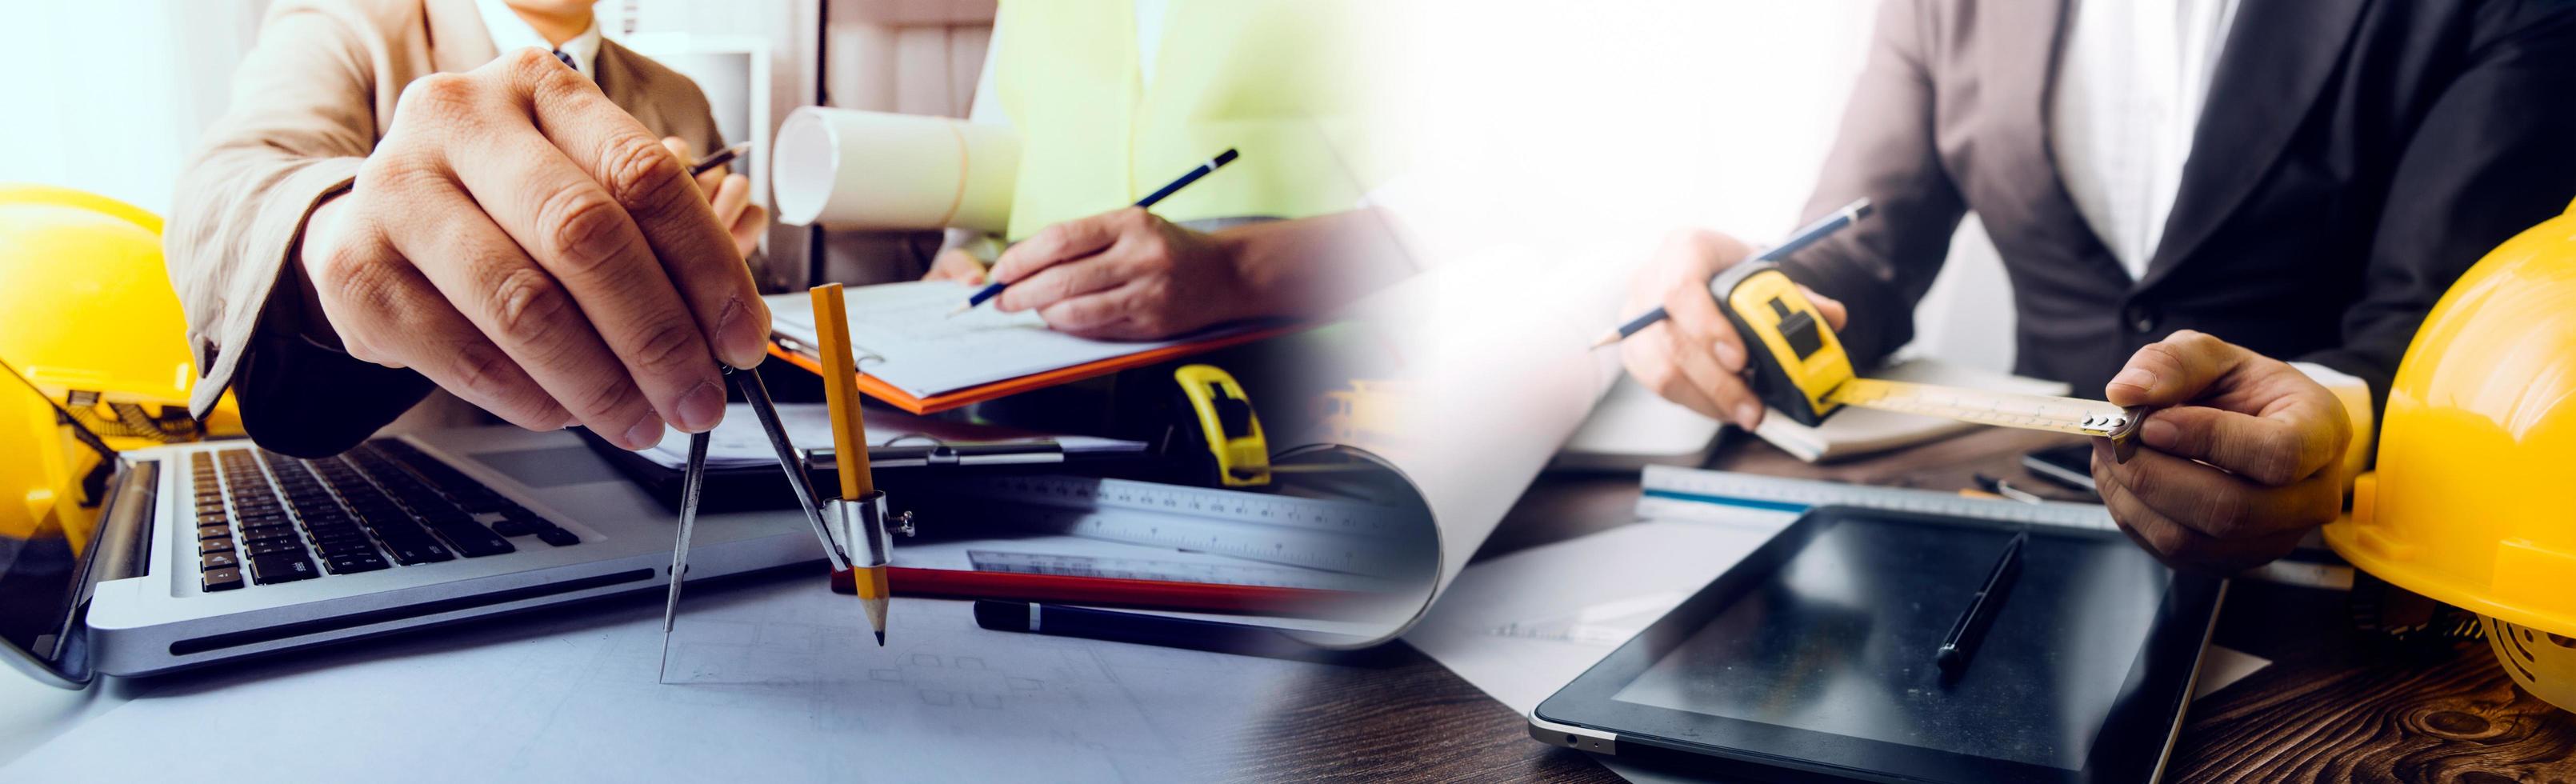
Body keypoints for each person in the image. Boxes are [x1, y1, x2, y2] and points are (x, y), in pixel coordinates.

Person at [1622, 0, 2576, 570]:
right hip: (2011, 526)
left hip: (2341, 570)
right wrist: (1748, 293)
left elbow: (2443, 325)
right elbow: (1865, 251)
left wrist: (2336, 418)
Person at [167, 0, 770, 458]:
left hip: (646, 503)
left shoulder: (678, 95)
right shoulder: (344, 24)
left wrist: (715, 259)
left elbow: (736, 322)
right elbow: (227, 185)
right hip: (407, 492)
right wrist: (335, 236)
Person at [918, 0, 1412, 341]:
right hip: (1043, 419)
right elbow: (1005, 151)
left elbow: (1471, 206)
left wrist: (1234, 273)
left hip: (1330, 421)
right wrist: (968, 259)